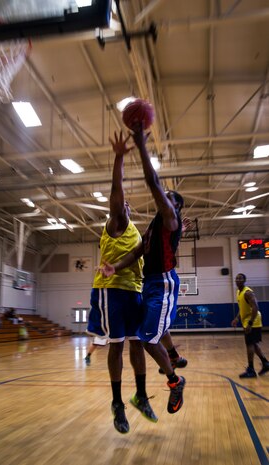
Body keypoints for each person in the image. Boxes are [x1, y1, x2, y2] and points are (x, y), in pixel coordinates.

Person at [100, 123, 187, 416]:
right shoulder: (151, 228)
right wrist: (115, 266)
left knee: (147, 338)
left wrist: (141, 145)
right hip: (144, 284)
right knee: (142, 337)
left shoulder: (169, 218)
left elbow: (153, 182)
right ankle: (169, 363)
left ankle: (174, 380)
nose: (166, 197)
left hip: (161, 283)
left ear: (174, 207)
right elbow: (137, 252)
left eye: (170, 197)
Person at [87, 130, 158, 435]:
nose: (125, 206)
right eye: (122, 205)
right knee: (116, 346)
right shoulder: (115, 223)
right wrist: (119, 157)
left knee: (137, 344)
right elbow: (117, 191)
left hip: (135, 291)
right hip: (110, 292)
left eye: (128, 207)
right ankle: (118, 403)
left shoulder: (137, 235)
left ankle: (141, 394)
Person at [231, 273, 269, 378]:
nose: (238, 280)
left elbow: (255, 307)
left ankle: (251, 369)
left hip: (254, 321)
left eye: (240, 278)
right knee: (254, 344)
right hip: (247, 321)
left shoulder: (248, 292)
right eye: (237, 278)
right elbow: (242, 307)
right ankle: (265, 363)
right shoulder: (239, 292)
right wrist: (237, 318)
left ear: (244, 280)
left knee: (250, 345)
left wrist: (250, 323)